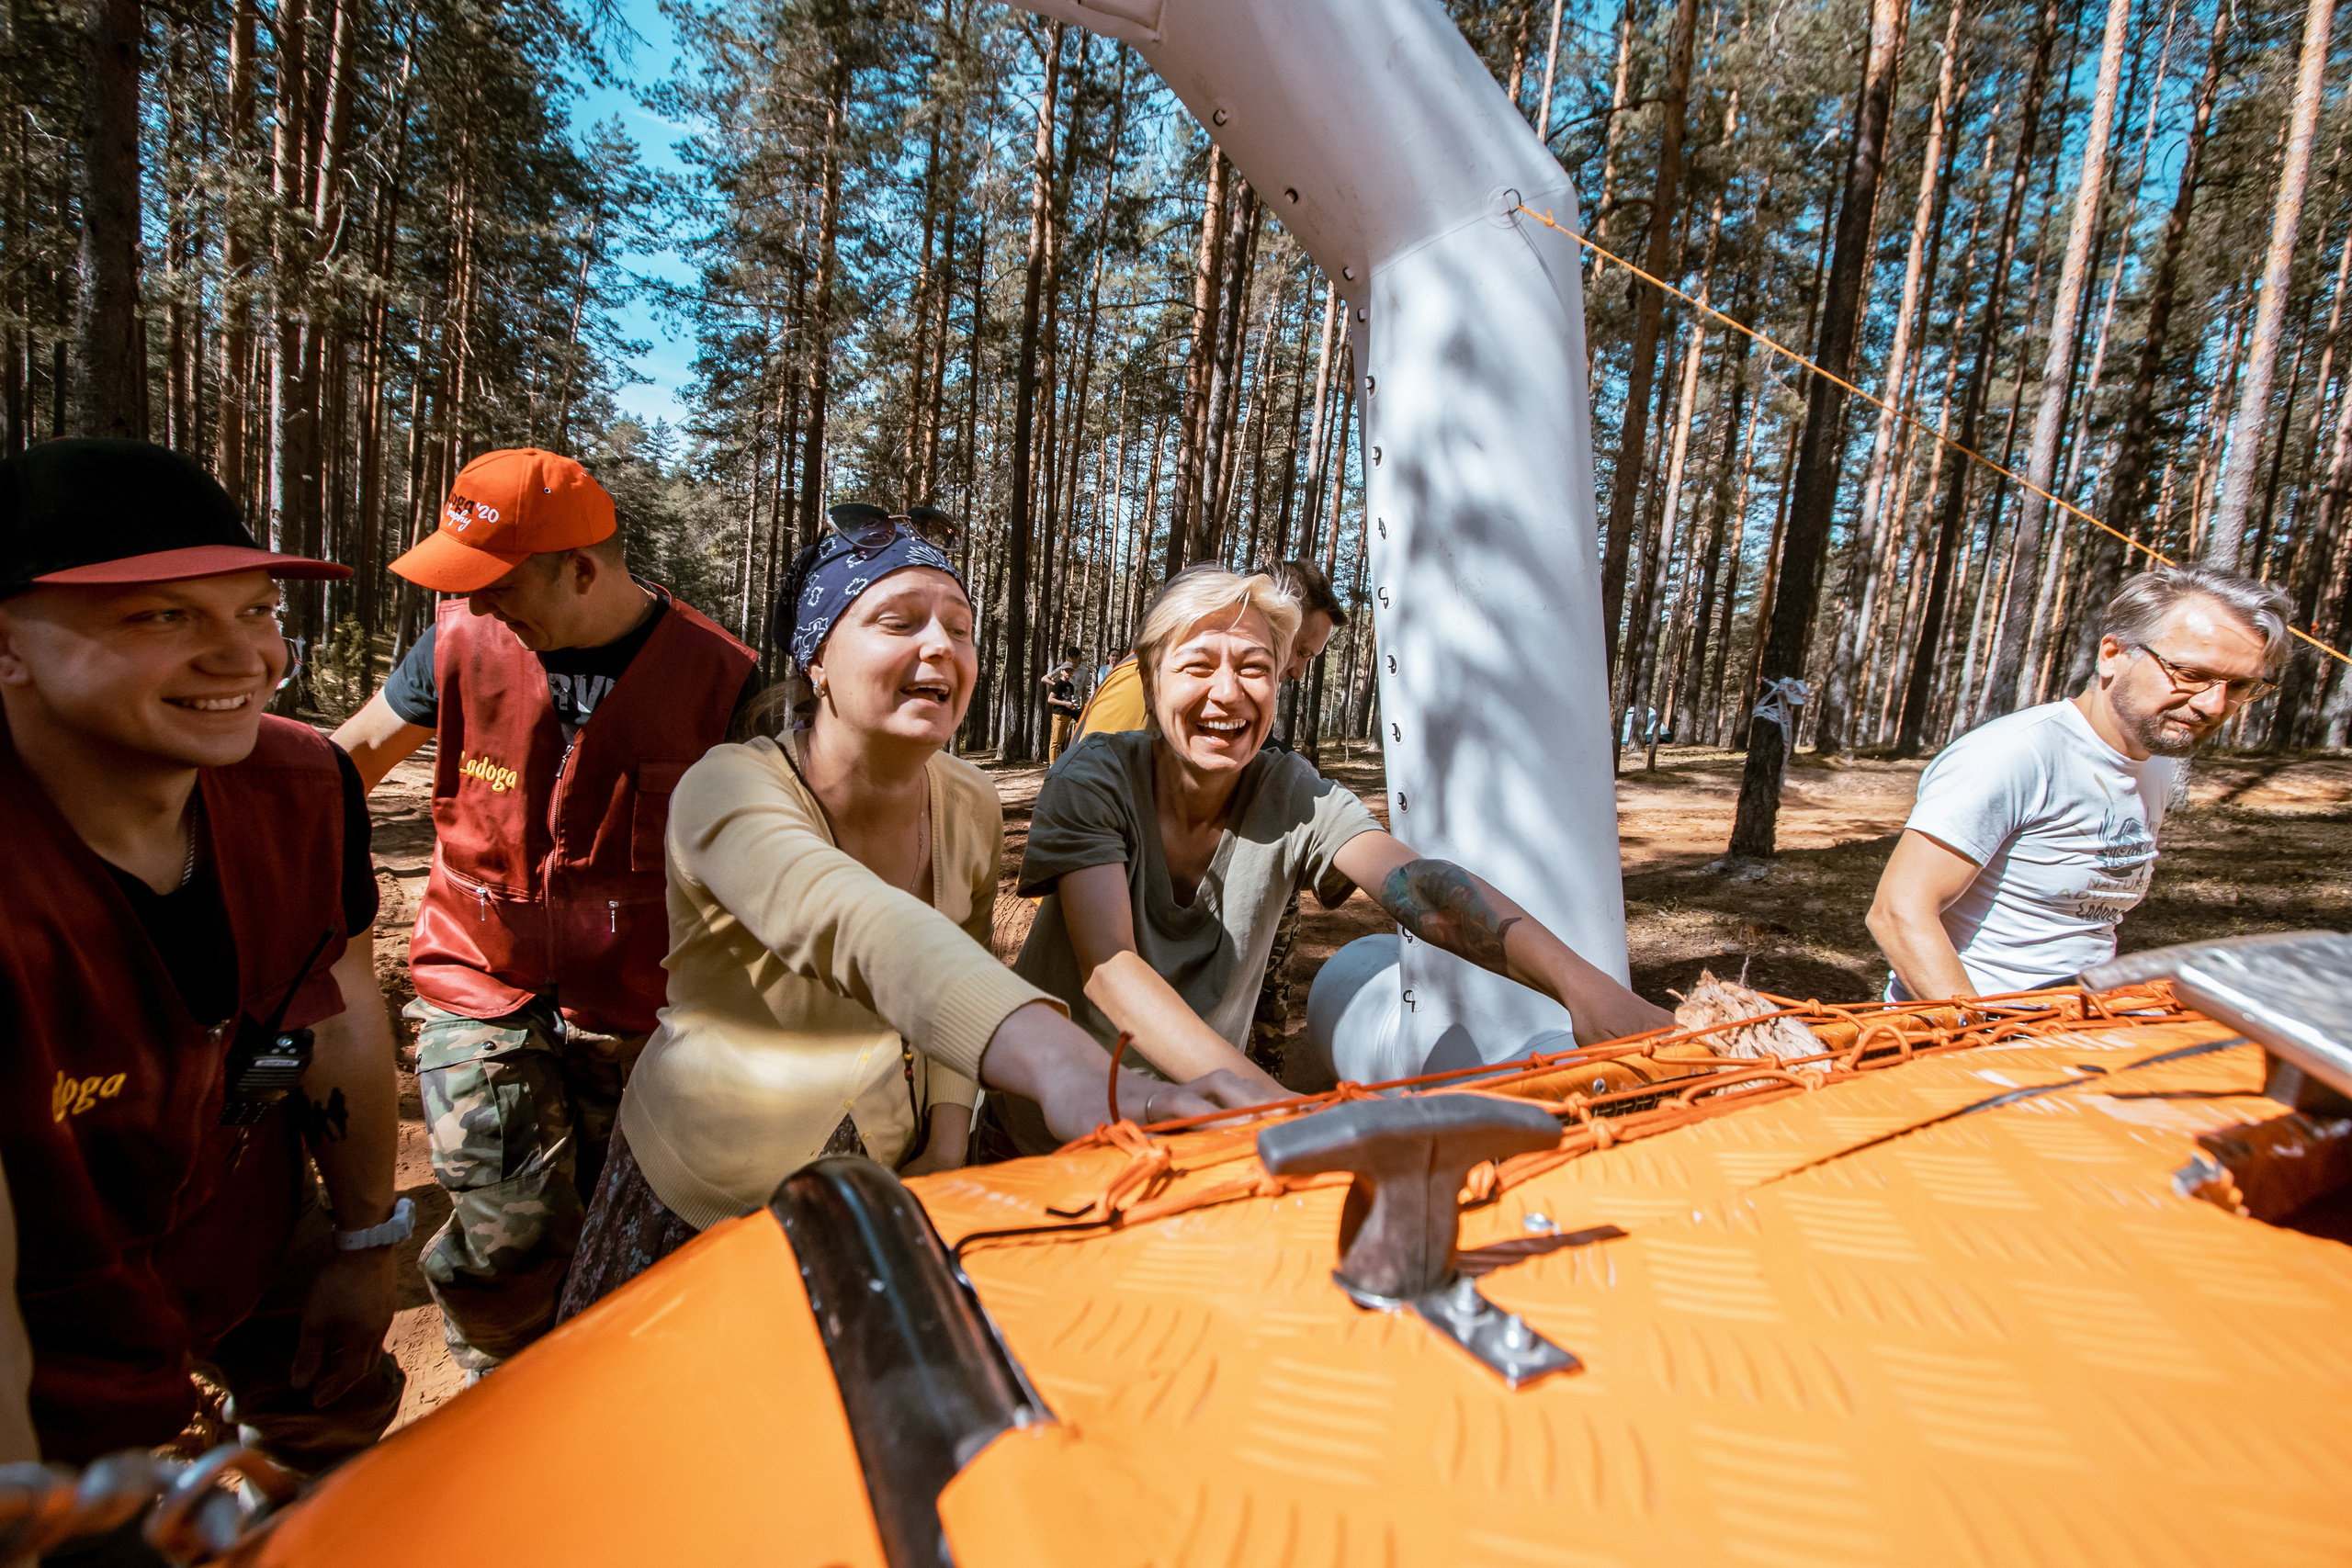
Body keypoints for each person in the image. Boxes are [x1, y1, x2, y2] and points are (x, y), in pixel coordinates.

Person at [557, 521, 1261, 1311]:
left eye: (960, 629)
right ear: (817, 658)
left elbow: (963, 954)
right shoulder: (727, 789)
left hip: (883, 1190)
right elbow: (858, 927)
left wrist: (948, 1143)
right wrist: (1064, 1065)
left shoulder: (970, 801)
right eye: (899, 622)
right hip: (706, 1202)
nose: (940, 647)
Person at [0, 440, 405, 1472]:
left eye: (257, 610)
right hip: (57, 1353)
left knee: (336, 1441)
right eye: (161, 616)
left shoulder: (304, 787)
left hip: (252, 1245)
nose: (244, 659)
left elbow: (339, 1009)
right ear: (7, 646)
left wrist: (363, 1240)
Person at [980, 567, 1673, 1156]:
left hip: (1201, 1140)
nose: (1229, 692)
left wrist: (1584, 987)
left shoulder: (1290, 791)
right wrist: (1275, 1102)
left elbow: (1420, 885)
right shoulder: (1093, 778)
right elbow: (1112, 971)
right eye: (1198, 665)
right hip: (1043, 1140)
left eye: (1255, 667)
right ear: (1151, 677)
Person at [331, 448, 757, 1377]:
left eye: (499, 582)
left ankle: (601, 1418)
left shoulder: (723, 678)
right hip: (477, 979)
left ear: (581, 569)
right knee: (507, 1240)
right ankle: (495, 1402)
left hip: (641, 1014)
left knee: (630, 1240)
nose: (479, 603)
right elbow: (346, 762)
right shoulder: (457, 643)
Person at [1867, 564, 2290, 1000]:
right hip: (1978, 1026)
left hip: (2079, 1017)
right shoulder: (2015, 753)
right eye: (2191, 674)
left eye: (2239, 685)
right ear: (2112, 654)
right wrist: (1976, 1028)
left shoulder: (2154, 761)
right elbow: (1898, 913)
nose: (2214, 704)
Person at [1042, 644, 1083, 763]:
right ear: (1062, 671)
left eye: (1070, 671)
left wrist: (1073, 705)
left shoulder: (1070, 685)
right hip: (1059, 713)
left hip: (1068, 713)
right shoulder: (1059, 684)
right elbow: (1050, 699)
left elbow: (1071, 697)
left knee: (1061, 739)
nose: (1068, 672)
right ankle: (1052, 763)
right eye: (1066, 670)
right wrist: (1064, 702)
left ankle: (1060, 761)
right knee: (1055, 739)